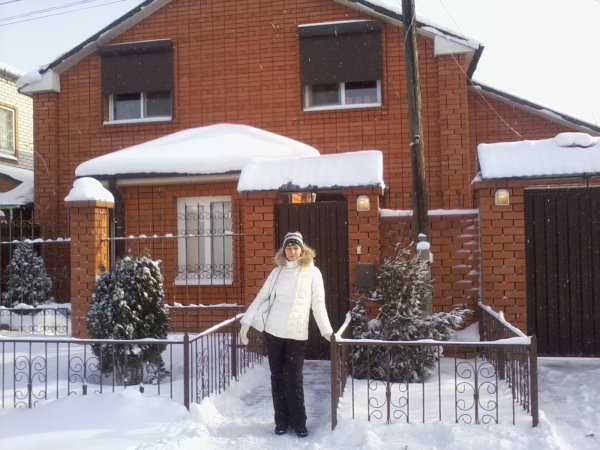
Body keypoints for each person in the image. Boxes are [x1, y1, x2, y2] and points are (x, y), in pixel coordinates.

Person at [240, 231, 333, 438]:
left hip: (296, 334)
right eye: (288, 248)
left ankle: (299, 422)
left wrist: (327, 331)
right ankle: (281, 421)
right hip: (273, 332)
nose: (292, 252)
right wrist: (246, 322)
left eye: (295, 248)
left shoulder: (313, 272)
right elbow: (261, 297)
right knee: (277, 378)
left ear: (302, 249)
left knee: (294, 379)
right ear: (284, 251)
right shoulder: (277, 272)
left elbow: (318, 305)